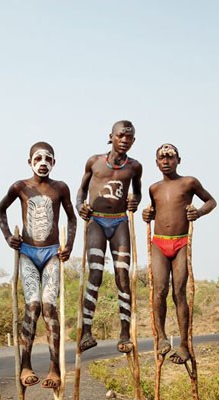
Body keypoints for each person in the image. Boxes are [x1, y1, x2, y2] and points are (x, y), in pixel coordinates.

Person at [0, 142, 77, 389]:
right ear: (29, 161)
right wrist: (9, 236)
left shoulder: (60, 188)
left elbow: (72, 218)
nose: (43, 162)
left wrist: (69, 246)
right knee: (32, 305)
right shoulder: (21, 187)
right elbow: (0, 209)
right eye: (38, 158)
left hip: (52, 253)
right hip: (29, 254)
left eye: (48, 159)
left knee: (50, 306)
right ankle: (26, 365)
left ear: (54, 162)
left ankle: (54, 369)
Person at [142, 143, 217, 364]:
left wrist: (199, 213)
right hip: (159, 243)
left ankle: (184, 345)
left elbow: (211, 201)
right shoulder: (154, 188)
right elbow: (157, 213)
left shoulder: (189, 182)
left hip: (181, 242)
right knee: (159, 290)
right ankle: (163, 338)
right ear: (156, 163)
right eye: (161, 158)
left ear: (178, 160)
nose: (166, 161)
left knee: (179, 292)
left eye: (170, 157)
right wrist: (148, 215)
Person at [75, 120, 142, 354]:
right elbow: (81, 191)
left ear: (133, 141)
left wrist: (135, 201)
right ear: (111, 136)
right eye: (121, 136)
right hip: (97, 220)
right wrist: (80, 207)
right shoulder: (94, 162)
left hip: (120, 221)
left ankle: (125, 333)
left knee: (122, 275)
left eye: (129, 138)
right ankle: (86, 332)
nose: (124, 141)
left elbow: (138, 193)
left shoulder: (134, 167)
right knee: (95, 273)